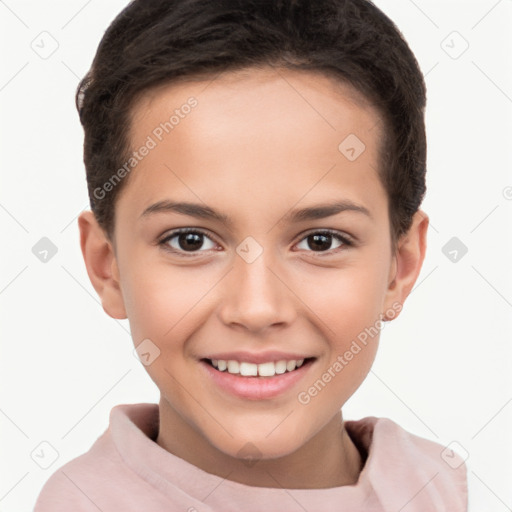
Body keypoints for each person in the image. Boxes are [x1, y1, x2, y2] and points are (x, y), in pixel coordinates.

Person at [34, 0, 468, 510]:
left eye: (320, 241)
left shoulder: (447, 489)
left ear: (401, 266)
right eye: (190, 240)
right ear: (107, 266)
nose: (257, 308)